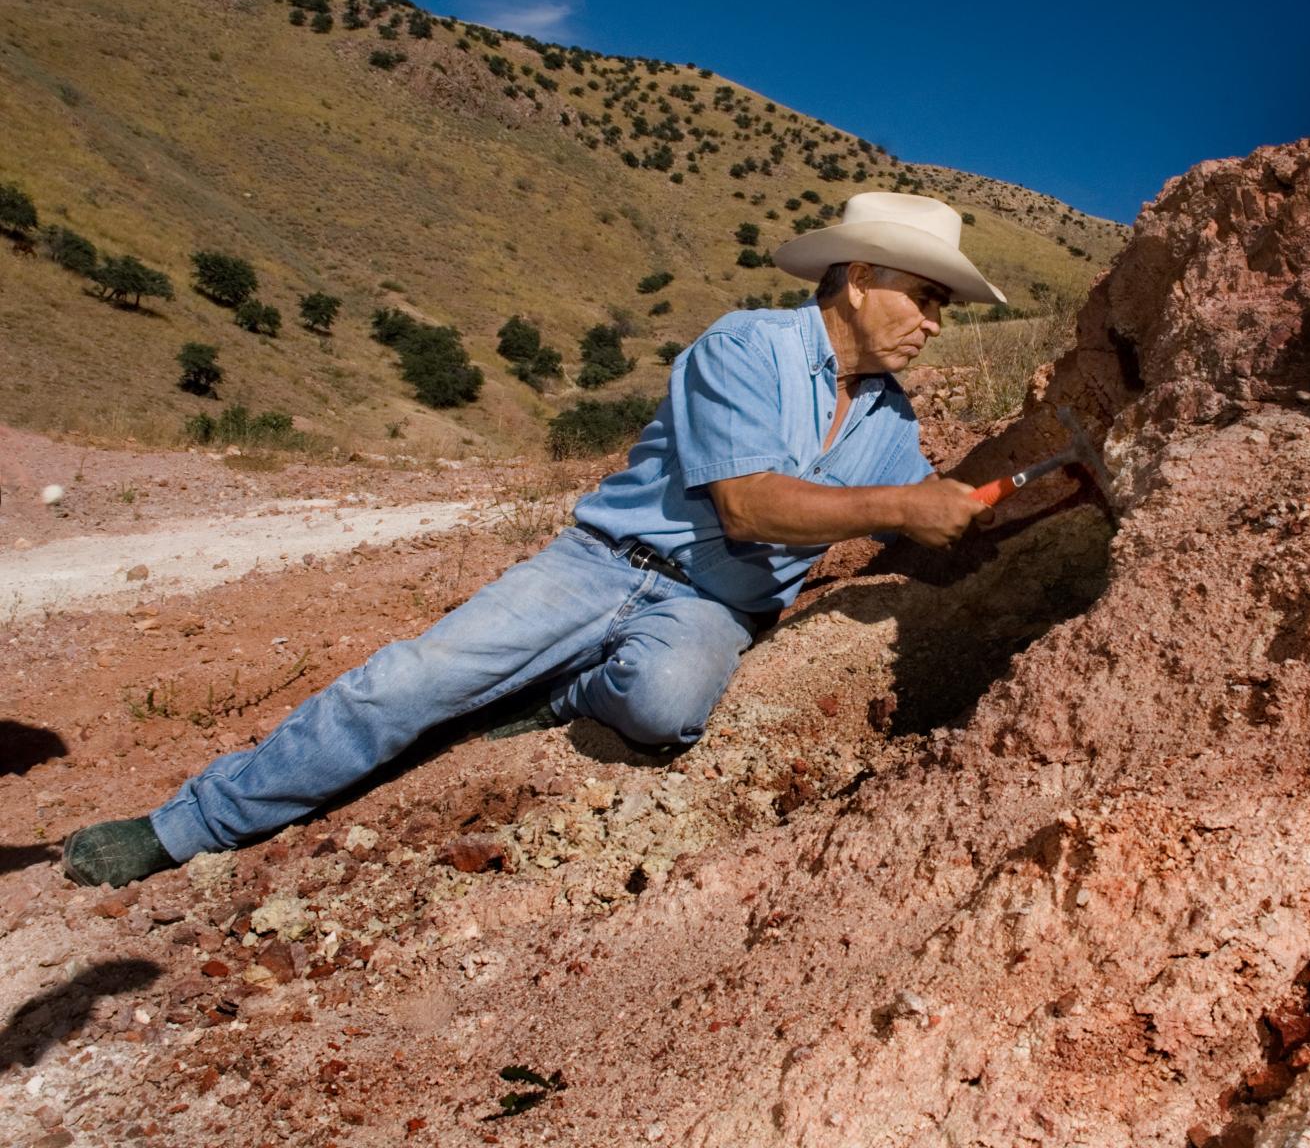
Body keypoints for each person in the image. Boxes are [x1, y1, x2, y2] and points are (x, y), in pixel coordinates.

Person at [62, 192, 1003, 888]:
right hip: (599, 566)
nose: (932, 321)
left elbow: (927, 507)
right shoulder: (745, 347)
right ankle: (187, 824)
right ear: (859, 276)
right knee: (409, 681)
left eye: (944, 307)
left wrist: (1007, 500)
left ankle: (567, 690)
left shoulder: (890, 420)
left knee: (667, 707)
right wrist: (901, 508)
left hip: (712, 606)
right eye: (923, 294)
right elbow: (751, 509)